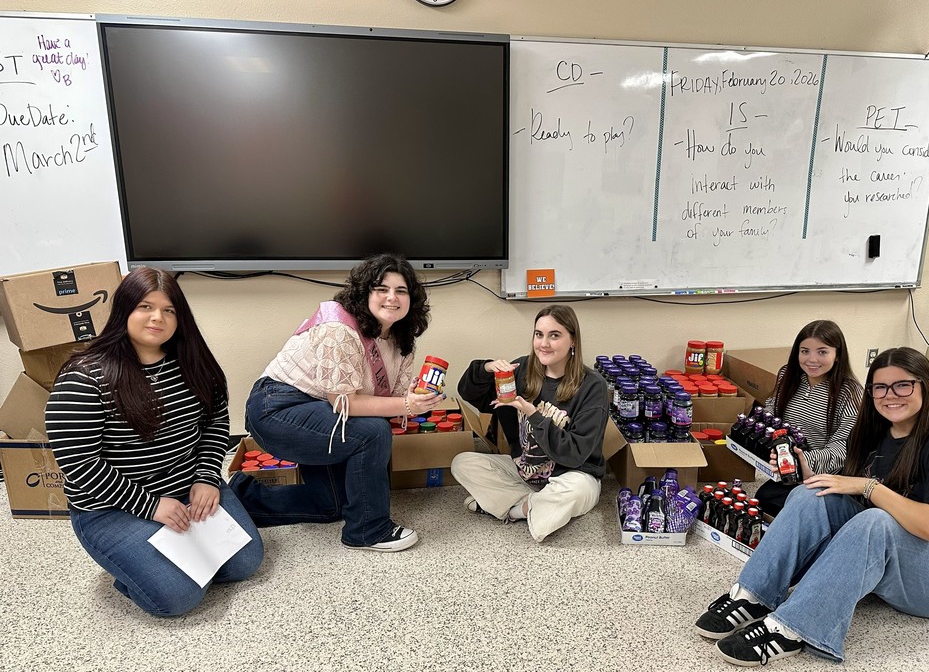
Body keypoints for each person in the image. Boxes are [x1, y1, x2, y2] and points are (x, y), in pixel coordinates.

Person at [694, 347, 929, 666]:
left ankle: (792, 628)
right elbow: (851, 493)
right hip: (889, 554)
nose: (891, 395)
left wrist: (869, 487)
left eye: (903, 384)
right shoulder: (874, 429)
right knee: (811, 494)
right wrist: (815, 475)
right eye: (880, 387)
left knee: (876, 521)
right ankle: (752, 596)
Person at [44, 267, 263, 617]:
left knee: (245, 563)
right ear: (124, 311)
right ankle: (132, 569)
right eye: (145, 307)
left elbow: (216, 423)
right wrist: (151, 506)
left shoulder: (196, 365)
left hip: (187, 488)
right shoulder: (84, 377)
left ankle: (159, 556)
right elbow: (79, 465)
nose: (157, 318)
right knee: (177, 599)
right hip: (112, 508)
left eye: (169, 309)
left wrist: (207, 478)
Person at [229, 253, 444, 552]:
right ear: (364, 293)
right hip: (277, 409)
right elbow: (347, 404)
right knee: (372, 432)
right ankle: (368, 530)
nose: (392, 297)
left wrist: (419, 397)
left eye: (401, 290)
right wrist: (407, 406)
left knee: (331, 505)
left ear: (412, 299)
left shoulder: (401, 338)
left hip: (322, 412)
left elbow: (389, 399)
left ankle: (237, 497)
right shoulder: (340, 328)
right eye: (381, 289)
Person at [452, 305, 609, 542]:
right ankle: (535, 506)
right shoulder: (522, 370)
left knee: (574, 492)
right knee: (462, 463)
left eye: (554, 335)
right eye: (539, 334)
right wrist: (486, 368)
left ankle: (515, 509)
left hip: (572, 475)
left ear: (573, 340)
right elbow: (472, 395)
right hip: (525, 472)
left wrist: (533, 414)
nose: (543, 343)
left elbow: (575, 454)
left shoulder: (593, 387)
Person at [755, 320, 861, 516]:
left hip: (822, 474)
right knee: (762, 499)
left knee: (788, 507)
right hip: (788, 467)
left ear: (837, 355)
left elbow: (843, 448)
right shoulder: (788, 374)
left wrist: (802, 460)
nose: (812, 359)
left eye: (822, 352)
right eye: (805, 351)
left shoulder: (850, 392)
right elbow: (772, 407)